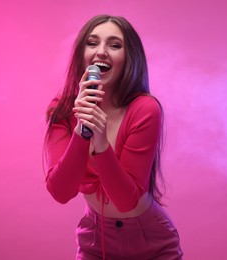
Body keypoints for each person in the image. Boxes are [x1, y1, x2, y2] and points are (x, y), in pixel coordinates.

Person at [43, 14, 183, 260]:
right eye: (92, 42)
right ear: (80, 53)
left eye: (115, 45)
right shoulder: (62, 109)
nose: (101, 52)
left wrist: (101, 142)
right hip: (95, 239)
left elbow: (125, 200)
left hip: (149, 241)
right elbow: (61, 191)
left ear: (129, 57)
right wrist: (81, 131)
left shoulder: (145, 109)